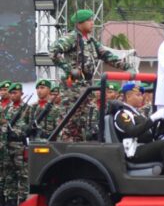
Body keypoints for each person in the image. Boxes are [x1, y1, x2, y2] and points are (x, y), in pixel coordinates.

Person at [49, 9, 133, 141]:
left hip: (86, 85)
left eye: (92, 20)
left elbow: (107, 56)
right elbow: (53, 51)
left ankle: (78, 147)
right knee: (70, 120)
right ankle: (66, 147)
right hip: (73, 87)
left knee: (83, 120)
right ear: (79, 23)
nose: (92, 23)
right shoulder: (72, 37)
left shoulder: (91, 41)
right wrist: (69, 69)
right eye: (89, 20)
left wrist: (127, 67)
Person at [113, 83, 164, 175]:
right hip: (134, 151)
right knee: (163, 144)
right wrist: (152, 118)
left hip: (143, 147)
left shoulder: (136, 113)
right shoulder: (123, 114)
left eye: (141, 95)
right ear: (128, 96)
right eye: (138, 95)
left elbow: (147, 132)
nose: (141, 98)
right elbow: (133, 132)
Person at [0, 83, 30, 206]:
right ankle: (11, 203)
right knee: (9, 175)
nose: (13, 95)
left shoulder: (27, 109)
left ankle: (22, 204)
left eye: (15, 93)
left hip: (20, 145)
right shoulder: (6, 109)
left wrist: (23, 132)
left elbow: (31, 126)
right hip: (8, 145)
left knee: (22, 175)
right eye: (11, 93)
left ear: (21, 94)